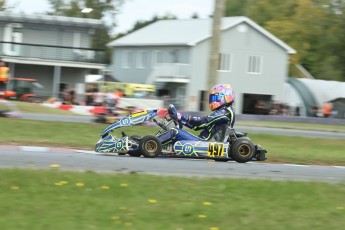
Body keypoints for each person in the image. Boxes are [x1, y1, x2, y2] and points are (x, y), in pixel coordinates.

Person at [157, 84, 236, 145]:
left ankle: (153, 143)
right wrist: (180, 119)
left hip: (204, 143)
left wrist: (180, 116)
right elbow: (197, 126)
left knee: (174, 132)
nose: (212, 101)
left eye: (215, 98)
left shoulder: (226, 112)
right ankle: (157, 145)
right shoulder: (226, 112)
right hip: (205, 142)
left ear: (226, 97)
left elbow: (203, 121)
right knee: (176, 132)